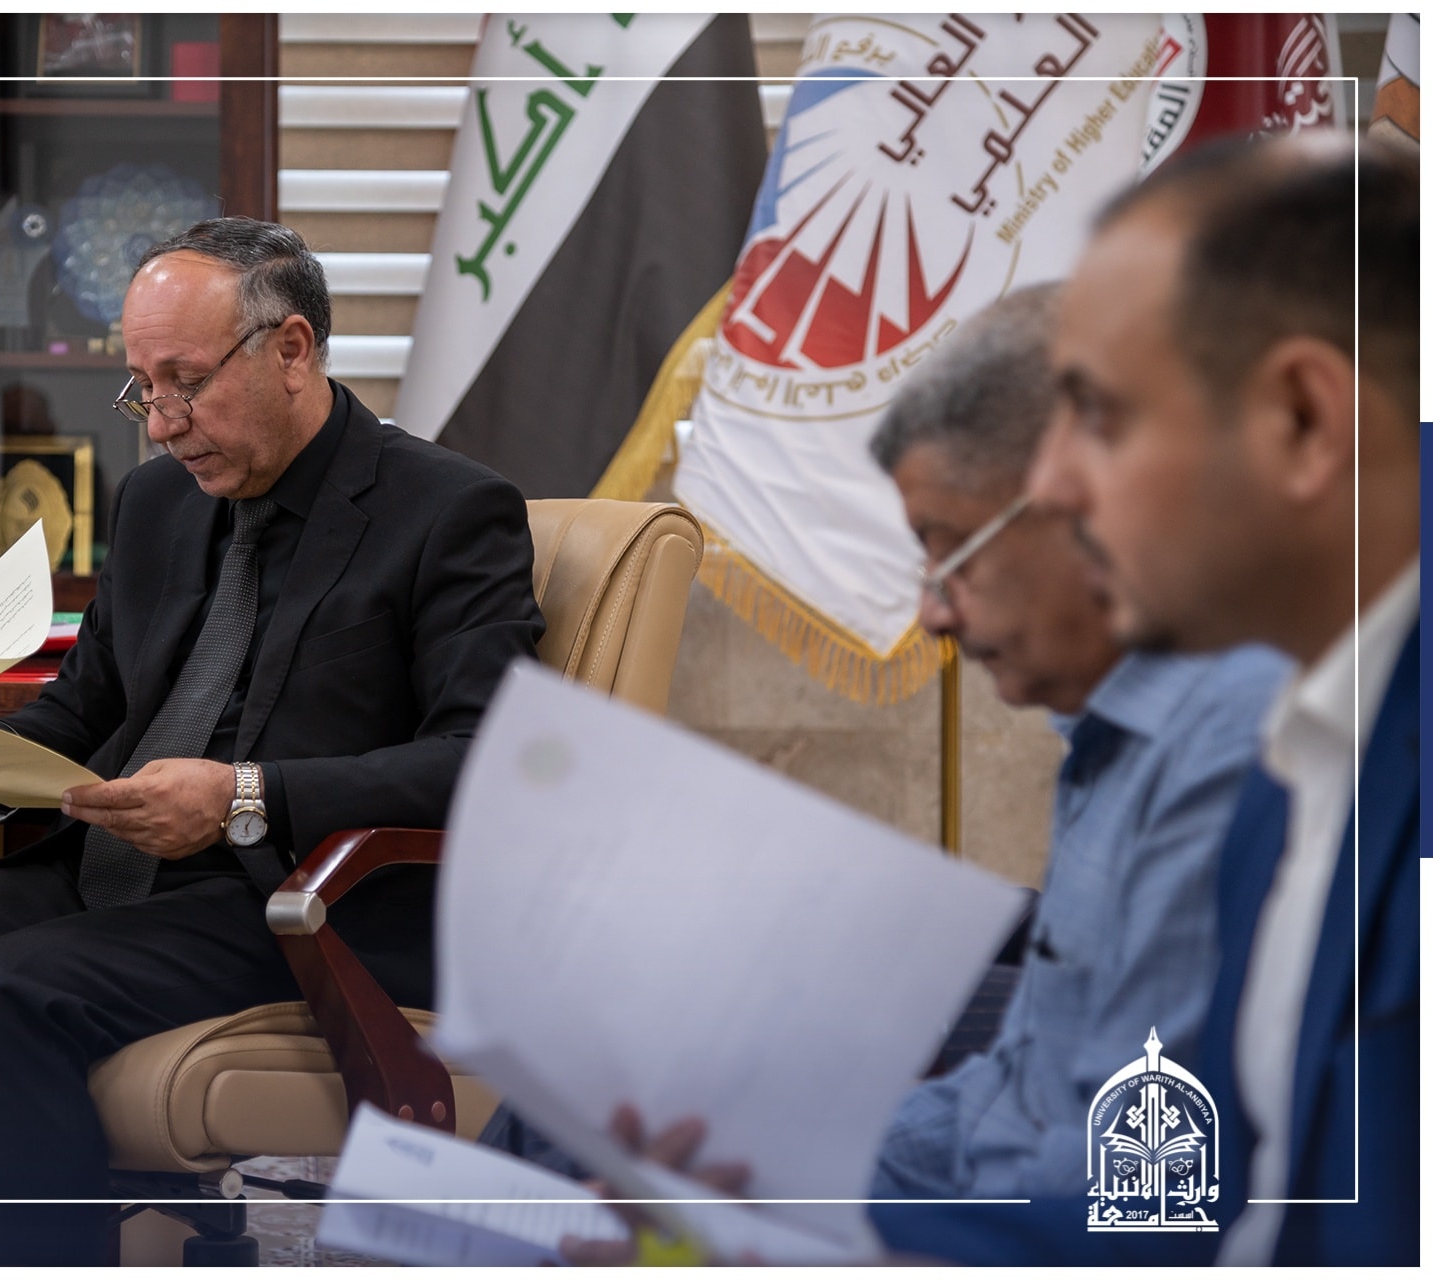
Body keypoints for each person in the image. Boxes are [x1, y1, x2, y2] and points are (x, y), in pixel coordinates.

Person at [593, 136, 1414, 1265]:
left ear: (1303, 423)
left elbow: (1165, 1225)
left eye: (1102, 418)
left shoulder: (1268, 744)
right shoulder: (1309, 743)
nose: (1058, 484)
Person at [0, 218, 545, 1264]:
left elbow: (481, 760)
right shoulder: (159, 502)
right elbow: (86, 710)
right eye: (143, 387)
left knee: (5, 992)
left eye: (187, 383)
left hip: (302, 898)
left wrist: (242, 793)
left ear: (292, 349)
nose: (163, 423)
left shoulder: (449, 511)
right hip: (117, 870)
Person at [527, 287, 1285, 1233]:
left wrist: (774, 1242)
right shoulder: (1107, 734)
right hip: (973, 1209)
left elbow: (1141, 1208)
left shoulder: (1231, 752)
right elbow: (999, 1108)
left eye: (949, 551)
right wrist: (747, 1179)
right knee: (587, 1120)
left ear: (1080, 507)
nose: (933, 612)